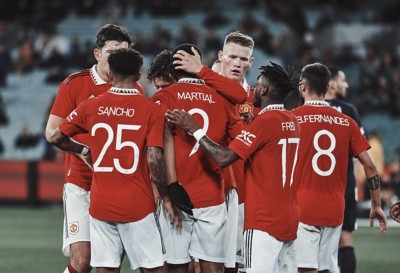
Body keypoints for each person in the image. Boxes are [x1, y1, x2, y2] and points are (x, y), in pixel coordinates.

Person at [48, 48, 178, 273]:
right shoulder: (150, 110)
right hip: (137, 204)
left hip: (101, 204)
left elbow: (56, 136)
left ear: (109, 76)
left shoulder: (90, 106)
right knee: (154, 268)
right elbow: (154, 157)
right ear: (139, 77)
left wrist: (83, 150)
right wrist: (166, 197)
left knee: (106, 268)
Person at [166, 62, 302, 273]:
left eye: (258, 86)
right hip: (289, 218)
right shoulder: (292, 119)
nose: (254, 90)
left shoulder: (264, 122)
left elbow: (224, 157)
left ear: (265, 90)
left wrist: (195, 129)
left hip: (264, 221)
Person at [44, 24, 138, 273]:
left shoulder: (134, 88)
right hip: (81, 181)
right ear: (98, 54)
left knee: (110, 263)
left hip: (117, 185)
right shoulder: (74, 84)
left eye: (123, 52)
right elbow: (52, 132)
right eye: (112, 52)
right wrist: (84, 151)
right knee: (82, 261)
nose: (118, 57)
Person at [153, 43, 243, 273]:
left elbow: (156, 151)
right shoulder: (223, 99)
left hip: (177, 194)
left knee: (176, 266)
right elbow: (238, 143)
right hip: (212, 194)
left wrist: (167, 191)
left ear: (172, 73)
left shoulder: (163, 97)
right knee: (214, 267)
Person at [292, 63, 387, 273]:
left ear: (302, 86)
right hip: (335, 209)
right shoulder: (348, 122)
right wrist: (376, 205)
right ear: (328, 88)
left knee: (305, 268)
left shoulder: (292, 119)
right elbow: (370, 166)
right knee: (326, 267)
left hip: (302, 207)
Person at [325, 67, 363, 273]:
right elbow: (361, 152)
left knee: (311, 241)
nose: (346, 85)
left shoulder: (303, 109)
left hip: (312, 184)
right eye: (342, 80)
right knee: (345, 238)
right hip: (344, 183)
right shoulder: (349, 111)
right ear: (330, 84)